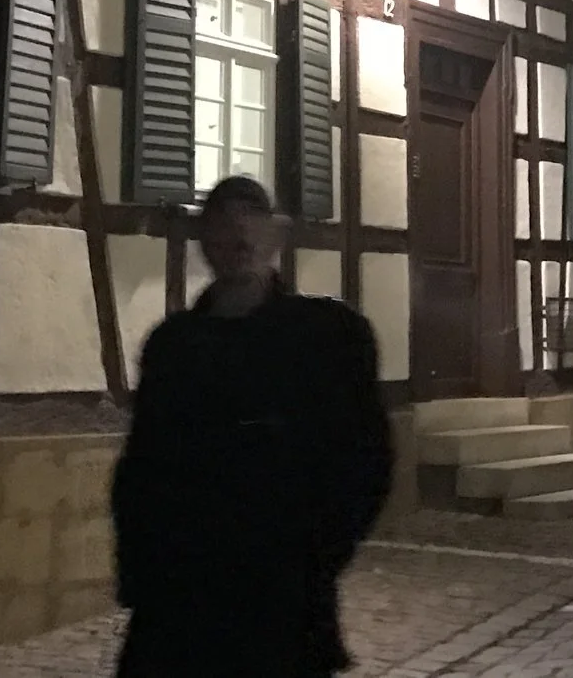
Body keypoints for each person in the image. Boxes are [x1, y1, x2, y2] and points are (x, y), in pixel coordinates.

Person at [111, 175, 393, 677]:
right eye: (224, 225)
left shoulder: (329, 338)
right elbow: (142, 469)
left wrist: (316, 558)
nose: (240, 240)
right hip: (182, 597)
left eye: (252, 224)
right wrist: (142, 572)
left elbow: (365, 459)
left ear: (276, 236)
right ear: (204, 241)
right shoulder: (174, 346)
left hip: (280, 594)